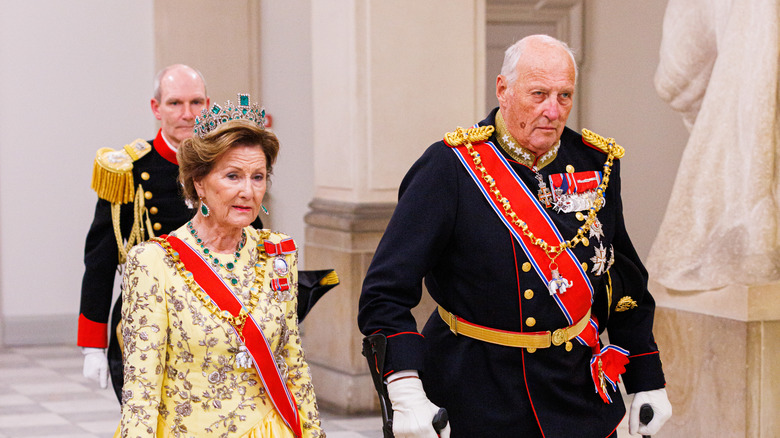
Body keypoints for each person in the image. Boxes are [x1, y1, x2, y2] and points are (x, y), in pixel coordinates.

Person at [357, 35, 672, 437]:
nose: (552, 111)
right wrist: (405, 389)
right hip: (476, 392)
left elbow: (619, 277)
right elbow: (385, 291)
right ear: (503, 90)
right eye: (538, 94)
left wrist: (647, 378)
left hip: (576, 392)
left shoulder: (596, 163)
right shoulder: (450, 167)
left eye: (564, 96)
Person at [117, 100, 323, 437]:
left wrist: (313, 432)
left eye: (258, 177)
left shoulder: (277, 253)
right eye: (233, 176)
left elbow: (292, 360)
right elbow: (141, 386)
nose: (248, 191)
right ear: (199, 182)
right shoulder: (153, 262)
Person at [79, 64, 212, 397]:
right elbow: (101, 257)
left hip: (214, 321)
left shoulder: (226, 165)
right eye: (174, 103)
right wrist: (93, 344)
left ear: (207, 105)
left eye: (196, 102)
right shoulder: (129, 170)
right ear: (156, 108)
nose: (187, 113)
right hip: (147, 322)